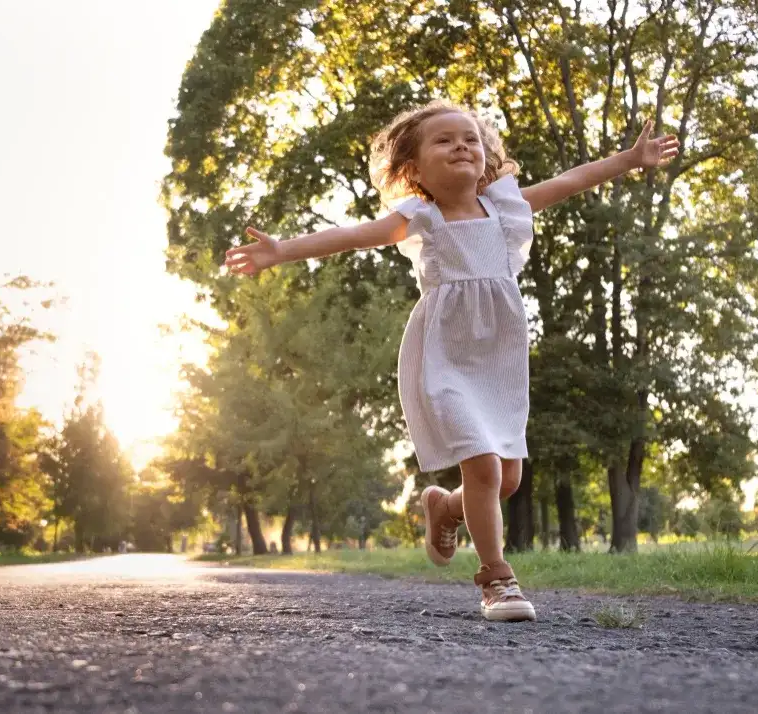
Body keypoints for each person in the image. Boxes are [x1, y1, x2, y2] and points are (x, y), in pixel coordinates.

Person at [224, 100, 678, 621]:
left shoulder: (506, 207)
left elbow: (570, 181)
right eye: (443, 140)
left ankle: (443, 506)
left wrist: (630, 159)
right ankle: (497, 578)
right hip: (445, 356)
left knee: (505, 480)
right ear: (414, 170)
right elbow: (351, 236)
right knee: (483, 465)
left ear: (485, 158)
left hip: (501, 359)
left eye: (470, 138)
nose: (460, 145)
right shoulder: (421, 218)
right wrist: (281, 250)